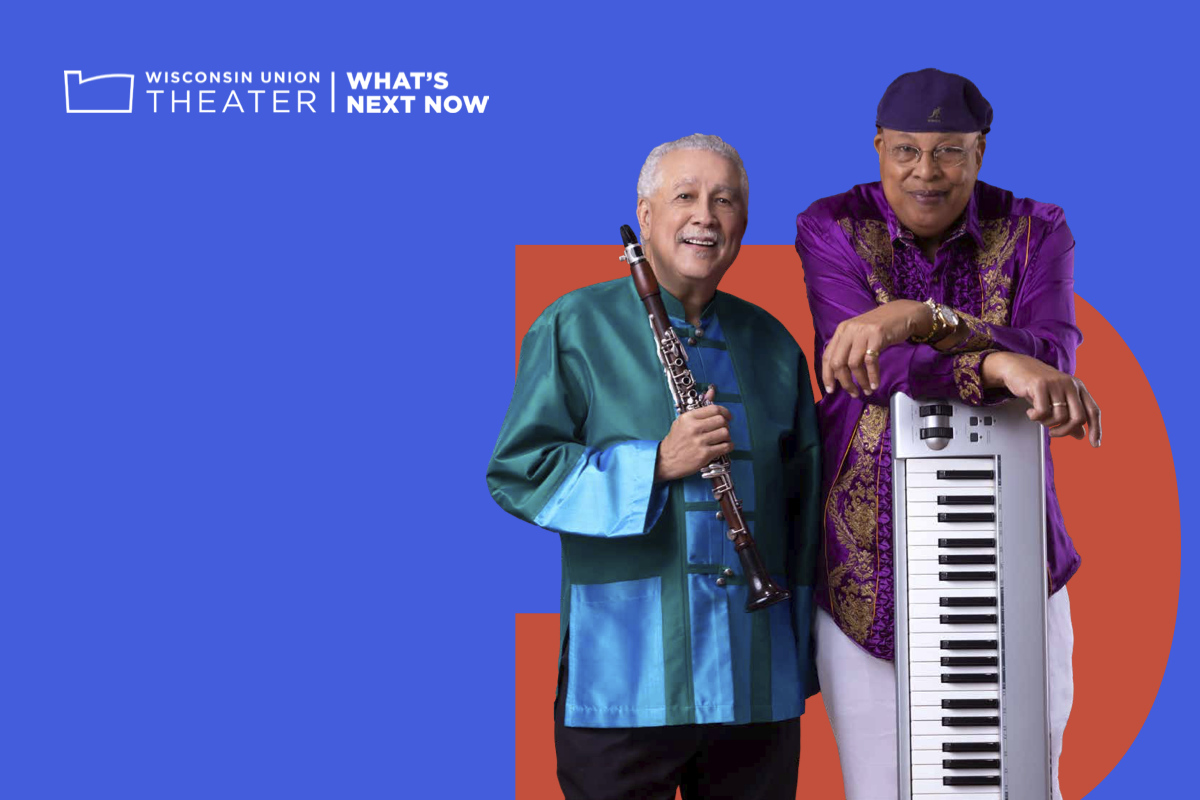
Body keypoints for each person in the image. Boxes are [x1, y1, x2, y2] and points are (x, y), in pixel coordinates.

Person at [794, 68, 1102, 800]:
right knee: (881, 788)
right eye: (905, 150)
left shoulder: (1038, 230)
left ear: (981, 152)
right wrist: (995, 359)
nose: (925, 173)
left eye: (948, 152)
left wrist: (916, 318)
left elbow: (1053, 359)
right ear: (878, 149)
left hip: (1015, 550)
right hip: (862, 570)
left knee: (1026, 781)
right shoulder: (830, 227)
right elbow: (862, 367)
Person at [488, 134, 821, 800]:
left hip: (757, 679)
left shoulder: (775, 345)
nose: (706, 216)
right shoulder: (574, 325)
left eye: (724, 201)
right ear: (645, 215)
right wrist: (655, 464)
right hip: (624, 680)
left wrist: (806, 656)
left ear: (743, 225)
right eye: (686, 197)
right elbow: (519, 471)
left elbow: (807, 513)